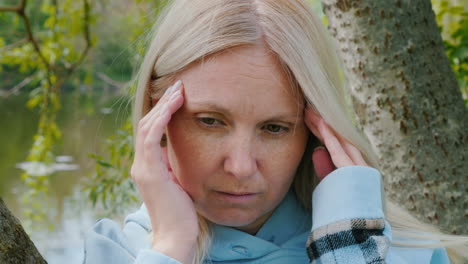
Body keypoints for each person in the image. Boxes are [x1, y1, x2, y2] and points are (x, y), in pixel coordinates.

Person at [83, 0, 467, 263]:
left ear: (315, 134)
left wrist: (347, 251)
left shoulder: (408, 254)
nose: (240, 167)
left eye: (274, 128)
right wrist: (170, 250)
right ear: (157, 117)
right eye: (210, 121)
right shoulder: (116, 252)